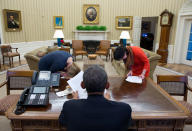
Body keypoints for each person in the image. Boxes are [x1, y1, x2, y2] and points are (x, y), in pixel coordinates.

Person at [59, 65, 132, 131]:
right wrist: (108, 101)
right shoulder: (125, 109)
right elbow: (127, 124)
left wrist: (74, 102)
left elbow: (62, 121)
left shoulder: (68, 106)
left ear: (82, 85)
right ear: (107, 85)